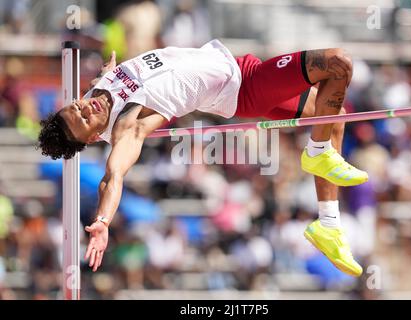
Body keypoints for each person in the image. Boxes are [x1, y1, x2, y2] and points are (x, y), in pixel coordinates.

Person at [37, 39, 368, 275]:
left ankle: (328, 224)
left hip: (236, 67)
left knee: (332, 115)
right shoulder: (128, 125)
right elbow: (113, 176)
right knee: (337, 62)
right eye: (83, 119)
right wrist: (104, 221)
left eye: (76, 107)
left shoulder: (95, 93)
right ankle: (317, 153)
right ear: (95, 136)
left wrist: (107, 73)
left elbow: (101, 86)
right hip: (244, 87)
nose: (85, 108)